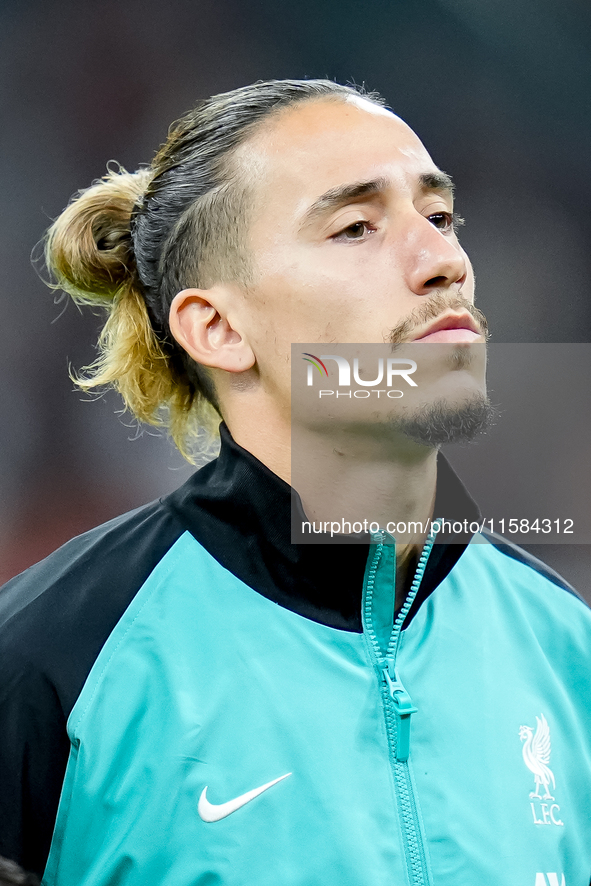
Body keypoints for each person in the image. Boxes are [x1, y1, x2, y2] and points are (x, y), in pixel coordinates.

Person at [1, 79, 590, 886]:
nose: (443, 261)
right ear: (218, 328)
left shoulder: (567, 649)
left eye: (439, 216)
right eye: (355, 227)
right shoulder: (47, 662)